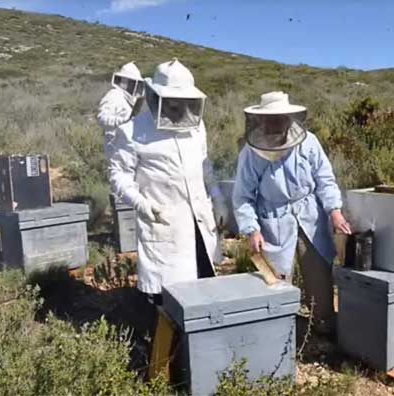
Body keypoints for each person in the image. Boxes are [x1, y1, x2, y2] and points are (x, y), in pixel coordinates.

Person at [108, 58, 229, 300]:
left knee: (205, 287)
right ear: (156, 96)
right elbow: (118, 175)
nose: (177, 107)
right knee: (168, 296)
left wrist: (218, 200)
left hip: (200, 221)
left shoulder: (196, 126)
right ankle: (165, 337)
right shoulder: (131, 131)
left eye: (183, 101)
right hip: (164, 222)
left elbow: (206, 167)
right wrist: (141, 203)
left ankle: (199, 338)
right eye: (172, 102)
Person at [233, 91, 352, 335]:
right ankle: (279, 332)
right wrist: (251, 229)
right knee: (276, 281)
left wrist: (334, 211)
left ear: (289, 117)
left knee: (318, 273)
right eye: (270, 119)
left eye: (279, 118)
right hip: (273, 220)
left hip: (310, 217)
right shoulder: (251, 151)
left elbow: (325, 180)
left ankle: (323, 326)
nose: (275, 123)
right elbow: (243, 195)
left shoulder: (309, 142)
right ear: (261, 120)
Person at [97, 61, 145, 160]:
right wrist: (123, 120)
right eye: (130, 82)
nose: (132, 86)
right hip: (114, 146)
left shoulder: (130, 99)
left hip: (127, 146)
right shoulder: (114, 95)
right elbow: (102, 118)